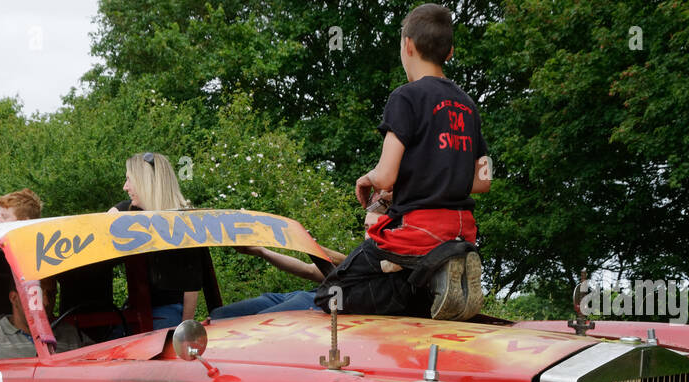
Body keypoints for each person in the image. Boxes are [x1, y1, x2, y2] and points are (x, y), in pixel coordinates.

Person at [320, 4, 491, 319]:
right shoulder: (468, 106)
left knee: (330, 295)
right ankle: (436, 287)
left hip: (417, 232)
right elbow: (484, 180)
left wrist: (368, 178)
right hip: (461, 233)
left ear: (407, 45)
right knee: (393, 279)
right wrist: (441, 176)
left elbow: (385, 176)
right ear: (449, 52)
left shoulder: (406, 97)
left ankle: (433, 282)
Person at [108, 152, 208, 329]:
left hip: (167, 311)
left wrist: (183, 331)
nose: (125, 187)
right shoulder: (126, 210)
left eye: (129, 179)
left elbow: (191, 287)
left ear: (145, 181)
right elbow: (102, 228)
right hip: (133, 310)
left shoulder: (184, 221)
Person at [209, 246, 347, 321]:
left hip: (317, 303)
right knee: (218, 316)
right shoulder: (359, 256)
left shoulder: (366, 258)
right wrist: (262, 251)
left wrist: (308, 244)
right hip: (298, 295)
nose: (367, 233)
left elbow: (349, 261)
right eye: (365, 226)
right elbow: (308, 270)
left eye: (369, 228)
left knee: (254, 325)